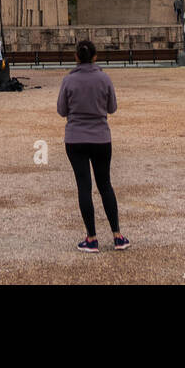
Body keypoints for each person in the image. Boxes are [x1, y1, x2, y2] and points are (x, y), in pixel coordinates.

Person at [56, 40, 129, 252]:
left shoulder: (69, 80)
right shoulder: (104, 78)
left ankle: (91, 238)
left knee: (84, 187)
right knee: (105, 184)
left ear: (77, 57)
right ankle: (117, 235)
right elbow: (112, 108)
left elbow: (62, 110)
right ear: (95, 56)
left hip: (76, 138)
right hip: (100, 137)